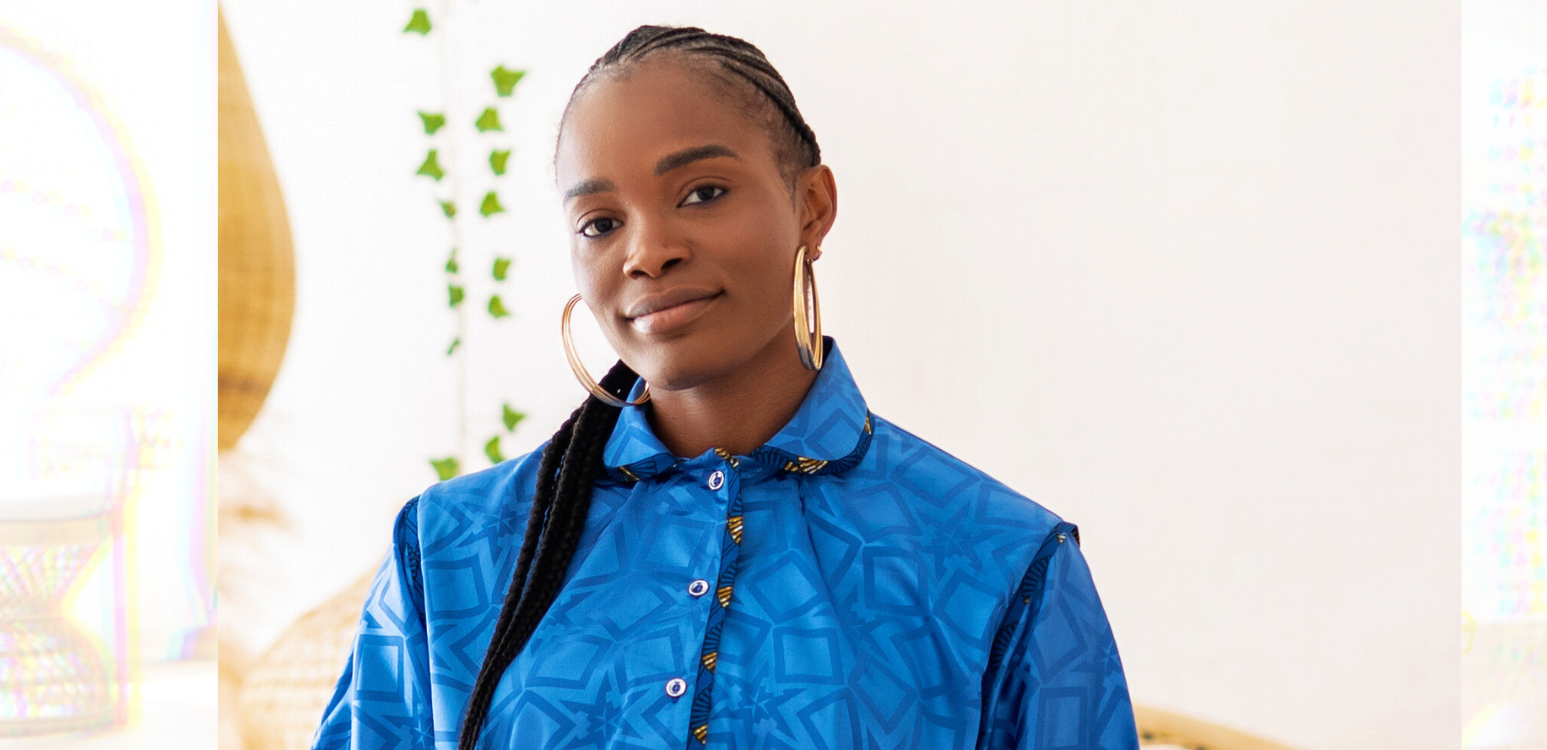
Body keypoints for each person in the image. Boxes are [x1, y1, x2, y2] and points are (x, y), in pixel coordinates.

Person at [314, 25, 1136, 750]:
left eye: (702, 193)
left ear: (811, 208)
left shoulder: (1002, 564)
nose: (648, 251)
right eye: (601, 222)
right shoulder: (446, 554)